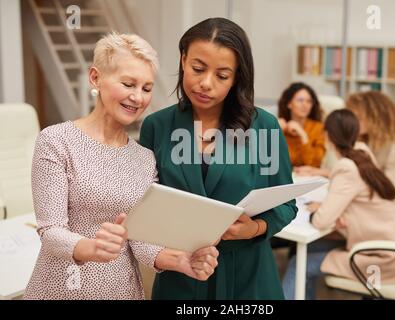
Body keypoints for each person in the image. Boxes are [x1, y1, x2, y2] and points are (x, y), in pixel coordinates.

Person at [24, 33, 218, 300]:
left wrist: (179, 260)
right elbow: (51, 231)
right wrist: (90, 247)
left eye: (147, 89)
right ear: (96, 78)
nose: (137, 98)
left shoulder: (144, 159)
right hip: (63, 289)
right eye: (128, 84)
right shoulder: (57, 141)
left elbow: (140, 240)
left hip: (122, 291)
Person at [140, 18, 297, 299]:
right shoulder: (156, 126)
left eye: (222, 76)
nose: (205, 84)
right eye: (197, 69)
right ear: (183, 59)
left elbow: (286, 204)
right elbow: (144, 203)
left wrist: (256, 228)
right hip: (182, 277)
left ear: (237, 77)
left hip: (249, 278)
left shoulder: (264, 126)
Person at [282, 109, 395, 300]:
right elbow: (358, 200)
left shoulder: (346, 168)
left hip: (379, 260)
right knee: (309, 250)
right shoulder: (363, 153)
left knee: (298, 264)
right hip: (392, 248)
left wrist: (318, 212)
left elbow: (320, 221)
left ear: (327, 135)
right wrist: (335, 212)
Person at [345, 91, 395, 189]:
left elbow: (389, 186)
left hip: (384, 198)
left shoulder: (394, 145)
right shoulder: (364, 139)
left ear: (376, 119)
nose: (354, 123)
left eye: (359, 118)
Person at [277, 82, 325, 169]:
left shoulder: (318, 127)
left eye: (309, 101)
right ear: (289, 104)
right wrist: (275, 133)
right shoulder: (281, 126)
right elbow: (272, 162)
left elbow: (314, 164)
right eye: (300, 100)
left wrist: (303, 135)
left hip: (310, 178)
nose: (305, 105)